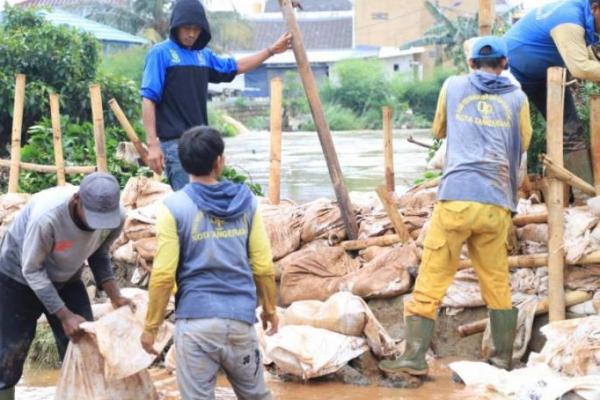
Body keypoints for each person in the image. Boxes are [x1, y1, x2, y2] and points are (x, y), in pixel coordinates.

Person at [378, 36, 532, 377]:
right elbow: (524, 141)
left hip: (457, 199)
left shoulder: (453, 85)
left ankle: (415, 357)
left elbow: (439, 129)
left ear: (472, 64)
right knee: (496, 281)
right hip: (495, 203)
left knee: (433, 276)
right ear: (505, 64)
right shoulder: (519, 98)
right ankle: (502, 359)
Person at [140, 126, 278, 399]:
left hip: (196, 324)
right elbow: (262, 265)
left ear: (180, 163)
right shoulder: (247, 202)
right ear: (219, 161)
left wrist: (150, 328)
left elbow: (163, 275)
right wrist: (270, 309)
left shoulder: (173, 207)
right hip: (240, 321)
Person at [0, 172, 133, 400]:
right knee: (9, 355)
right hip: (17, 277)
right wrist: (64, 315)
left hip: (67, 277)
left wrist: (115, 295)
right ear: (76, 200)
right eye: (92, 218)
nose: (96, 226)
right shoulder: (48, 218)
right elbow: (31, 269)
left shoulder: (117, 217)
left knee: (86, 347)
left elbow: (99, 253)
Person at [141, 0, 292, 190]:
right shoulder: (160, 54)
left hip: (202, 143)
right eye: (187, 28)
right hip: (175, 145)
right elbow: (148, 99)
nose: (191, 34)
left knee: (206, 200)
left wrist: (271, 51)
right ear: (176, 27)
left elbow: (235, 67)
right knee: (189, 202)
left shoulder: (204, 56)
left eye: (196, 29)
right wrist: (153, 144)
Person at [504, 0, 600, 186]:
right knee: (504, 132)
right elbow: (581, 67)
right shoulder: (569, 20)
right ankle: (503, 193)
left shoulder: (583, 16)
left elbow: (589, 57)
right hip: (509, 75)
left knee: (570, 130)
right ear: (596, 8)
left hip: (545, 77)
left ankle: (584, 197)